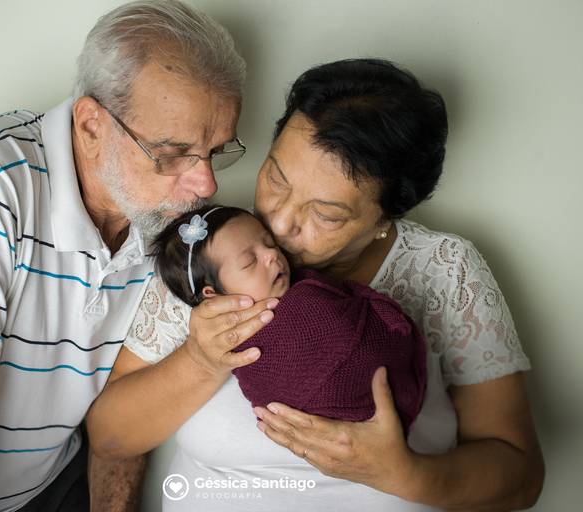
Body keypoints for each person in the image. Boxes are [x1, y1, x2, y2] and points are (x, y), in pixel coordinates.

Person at [0, 1, 272, 510]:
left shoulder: (167, 214)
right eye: (171, 154)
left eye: (216, 151)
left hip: (46, 485)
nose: (205, 184)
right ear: (92, 125)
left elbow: (123, 413)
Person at [94, 58, 545, 511]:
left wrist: (405, 474)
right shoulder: (215, 252)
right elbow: (110, 437)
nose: (278, 223)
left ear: (384, 220)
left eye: (326, 215)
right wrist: (200, 361)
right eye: (276, 179)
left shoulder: (443, 270)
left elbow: (520, 476)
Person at [149, 204, 427, 431]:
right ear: (213, 295)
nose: (272, 254)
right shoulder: (233, 343)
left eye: (268, 242)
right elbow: (268, 393)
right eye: (249, 261)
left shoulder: (305, 285)